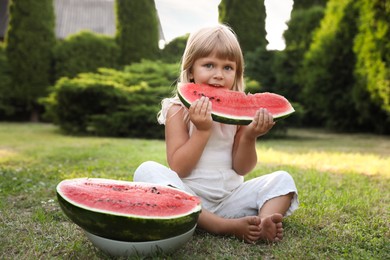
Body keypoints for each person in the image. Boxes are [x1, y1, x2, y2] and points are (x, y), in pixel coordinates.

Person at [134, 24, 298, 243]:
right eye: (209, 65)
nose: (219, 75)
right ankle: (222, 226)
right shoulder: (177, 110)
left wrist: (250, 136)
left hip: (231, 200)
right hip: (188, 198)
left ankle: (263, 223)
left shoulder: (239, 115)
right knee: (147, 171)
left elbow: (242, 167)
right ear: (191, 70)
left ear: (237, 73)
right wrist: (202, 131)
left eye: (228, 68)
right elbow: (179, 168)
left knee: (282, 179)